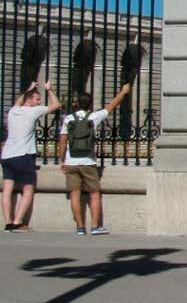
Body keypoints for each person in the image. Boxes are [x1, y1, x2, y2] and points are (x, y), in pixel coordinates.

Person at [58, 83, 131, 235]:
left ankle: (79, 227)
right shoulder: (93, 117)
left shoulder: (68, 119)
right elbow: (111, 106)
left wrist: (62, 160)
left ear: (77, 104)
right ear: (90, 104)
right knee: (94, 193)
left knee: (74, 194)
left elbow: (63, 141)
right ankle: (96, 226)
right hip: (88, 162)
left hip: (71, 162)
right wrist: (123, 92)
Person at [2, 81, 61, 231]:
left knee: (7, 189)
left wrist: (28, 89)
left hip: (7, 155)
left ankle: (8, 222)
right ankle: (17, 222)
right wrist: (49, 90)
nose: (39, 102)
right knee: (28, 190)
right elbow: (56, 105)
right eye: (37, 99)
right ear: (29, 100)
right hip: (23, 155)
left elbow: (18, 101)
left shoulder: (13, 111)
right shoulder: (33, 111)